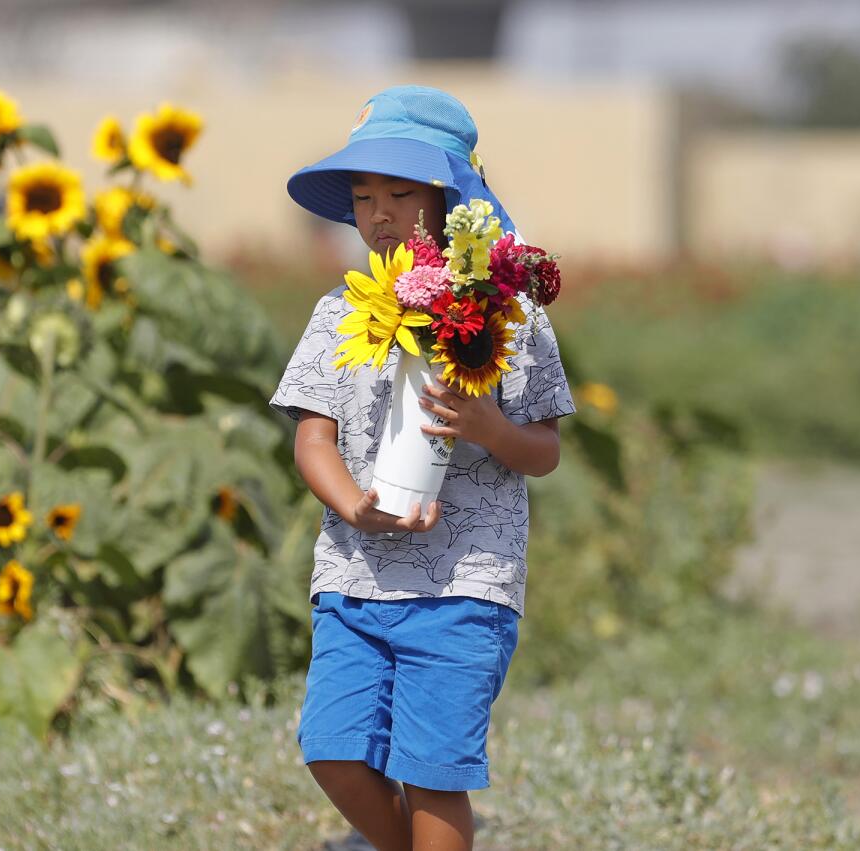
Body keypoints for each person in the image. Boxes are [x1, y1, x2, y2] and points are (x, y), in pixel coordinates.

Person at [268, 85, 576, 851]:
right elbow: (313, 437)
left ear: (452, 198)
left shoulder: (508, 314)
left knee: (434, 771)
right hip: (354, 574)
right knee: (332, 749)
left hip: (465, 579)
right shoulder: (339, 311)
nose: (377, 213)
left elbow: (544, 446)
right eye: (363, 195)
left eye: (401, 192)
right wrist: (352, 505)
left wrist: (487, 425)